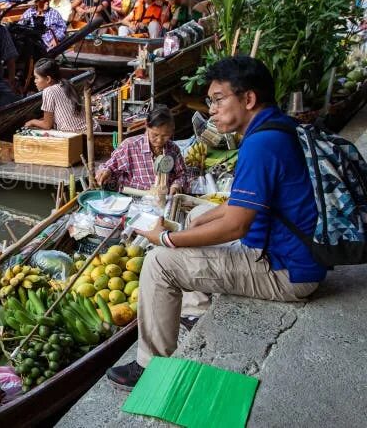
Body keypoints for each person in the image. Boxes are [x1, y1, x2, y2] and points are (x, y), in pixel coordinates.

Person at [105, 56, 324, 389]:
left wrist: (166, 240)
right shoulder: (275, 126)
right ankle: (196, 307)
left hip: (285, 271)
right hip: (289, 253)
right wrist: (193, 224)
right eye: (211, 101)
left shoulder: (262, 144)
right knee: (196, 215)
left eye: (219, 99)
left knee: (158, 263)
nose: (212, 110)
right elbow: (236, 208)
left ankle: (149, 366)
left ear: (248, 99)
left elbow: (236, 225)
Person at [95, 105, 187, 195]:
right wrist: (105, 171)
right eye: (155, 135)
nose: (159, 140)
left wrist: (176, 186)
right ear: (147, 126)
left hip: (164, 199)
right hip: (135, 199)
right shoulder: (130, 146)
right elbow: (108, 167)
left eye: (165, 136)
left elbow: (182, 174)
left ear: (171, 131)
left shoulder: (173, 149)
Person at [24, 58, 87, 132]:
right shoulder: (67, 84)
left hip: (77, 134)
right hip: (92, 128)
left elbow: (47, 125)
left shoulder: (48, 91)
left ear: (48, 79)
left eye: (36, 78)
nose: (35, 81)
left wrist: (32, 121)